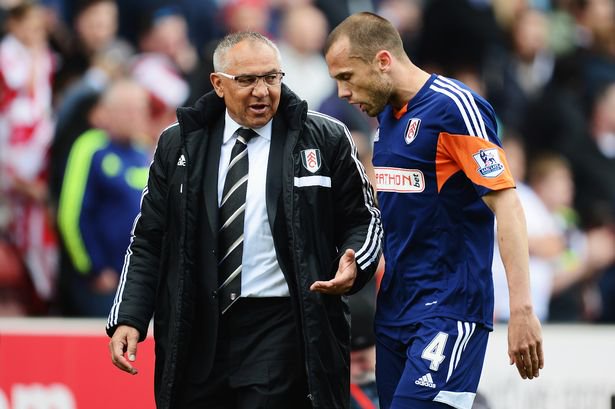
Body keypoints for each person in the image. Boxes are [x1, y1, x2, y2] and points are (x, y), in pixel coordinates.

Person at [106, 31, 383, 409]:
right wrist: (130, 317)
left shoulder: (326, 137)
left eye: (271, 78)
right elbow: (149, 239)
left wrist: (356, 260)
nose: (262, 91)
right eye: (247, 80)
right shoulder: (178, 144)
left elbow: (364, 218)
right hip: (198, 327)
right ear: (218, 85)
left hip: (280, 326)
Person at [324, 12, 544, 409]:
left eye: (346, 77)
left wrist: (522, 309)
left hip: (449, 309)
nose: (342, 92)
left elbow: (507, 205)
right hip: (394, 312)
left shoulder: (454, 107)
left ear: (383, 61)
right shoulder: (386, 119)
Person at [57, 79, 151, 316]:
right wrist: (94, 269)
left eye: (140, 109)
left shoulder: (145, 150)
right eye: (127, 110)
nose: (134, 116)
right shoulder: (90, 148)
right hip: (104, 281)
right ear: (106, 113)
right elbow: (72, 214)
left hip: (140, 280)